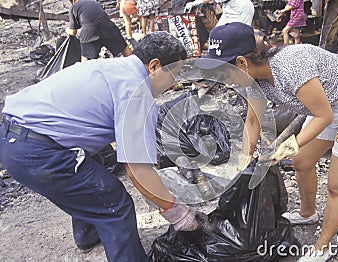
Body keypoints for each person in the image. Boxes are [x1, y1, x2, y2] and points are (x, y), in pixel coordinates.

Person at [0, 32, 209, 262]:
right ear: (154, 66)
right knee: (113, 202)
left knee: (94, 168)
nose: (174, 84)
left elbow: (135, 149)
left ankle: (88, 232)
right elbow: (137, 169)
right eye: (175, 75)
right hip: (35, 152)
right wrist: (177, 212)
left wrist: (157, 180)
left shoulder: (117, 68)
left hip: (14, 135)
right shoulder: (136, 93)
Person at [195, 22, 338, 261]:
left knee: (337, 186)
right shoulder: (251, 80)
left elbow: (324, 116)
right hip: (325, 106)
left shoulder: (291, 67)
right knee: (302, 162)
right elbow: (252, 122)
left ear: (242, 63)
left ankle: (323, 247)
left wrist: (291, 144)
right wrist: (243, 159)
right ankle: (308, 213)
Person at [67, 0, 132, 61]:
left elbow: (73, 32)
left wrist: (67, 30)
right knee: (124, 47)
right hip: (108, 27)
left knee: (86, 56)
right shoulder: (94, 1)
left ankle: (85, 71)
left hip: (90, 33)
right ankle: (133, 64)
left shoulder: (74, 7)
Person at [184, 0, 254, 27]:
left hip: (241, 6)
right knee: (217, 31)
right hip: (228, 6)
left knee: (241, 33)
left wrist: (196, 2)